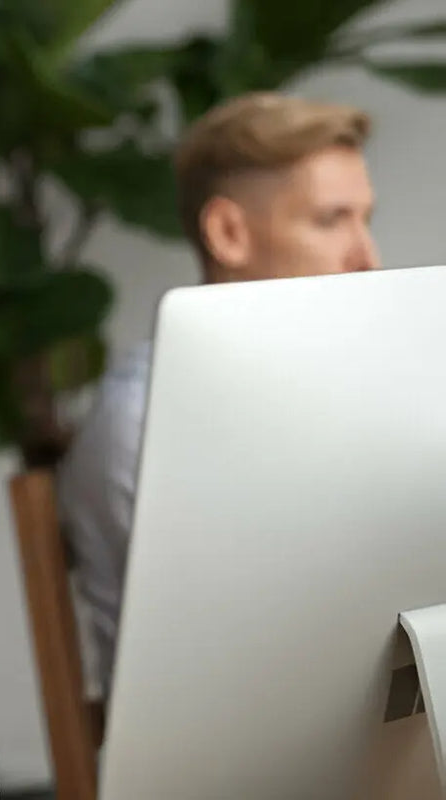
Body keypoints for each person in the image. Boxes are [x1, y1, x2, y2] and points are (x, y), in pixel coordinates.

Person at [57, 91, 380, 702]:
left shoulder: (351, 397)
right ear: (229, 232)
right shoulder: (145, 425)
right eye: (331, 220)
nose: (367, 259)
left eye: (366, 220)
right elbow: (223, 677)